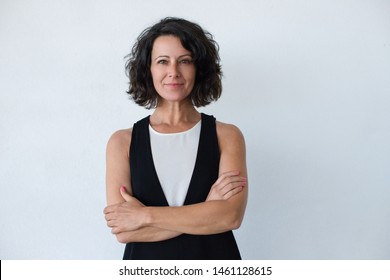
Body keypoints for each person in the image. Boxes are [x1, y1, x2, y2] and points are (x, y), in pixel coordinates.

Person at [104, 17, 248, 260]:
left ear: (199, 68)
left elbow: (230, 217)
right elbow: (124, 231)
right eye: (162, 61)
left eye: (185, 61)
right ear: (148, 69)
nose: (173, 72)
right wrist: (206, 211)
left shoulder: (227, 136)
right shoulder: (122, 142)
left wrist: (145, 216)